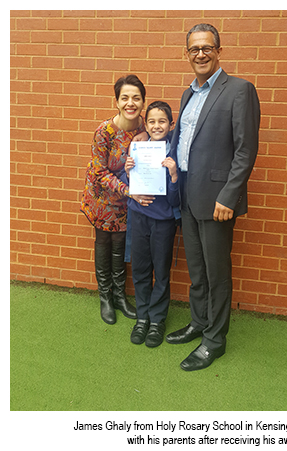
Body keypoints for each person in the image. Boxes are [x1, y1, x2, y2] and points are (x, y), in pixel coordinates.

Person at [165, 23, 261, 371]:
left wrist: (229, 196)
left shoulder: (238, 90)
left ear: (219, 51)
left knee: (217, 272)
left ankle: (214, 341)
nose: (201, 54)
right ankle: (199, 321)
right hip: (188, 194)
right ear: (186, 54)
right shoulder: (187, 94)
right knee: (197, 269)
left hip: (218, 200)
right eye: (194, 49)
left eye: (207, 47)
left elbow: (245, 150)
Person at [80, 74, 148, 325]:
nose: (130, 103)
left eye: (136, 98)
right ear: (117, 101)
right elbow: (98, 172)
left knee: (121, 241)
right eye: (125, 98)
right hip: (103, 197)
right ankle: (105, 297)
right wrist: (127, 190)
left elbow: (163, 138)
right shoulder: (104, 131)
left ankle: (120, 296)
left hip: (127, 201)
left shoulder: (145, 128)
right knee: (104, 241)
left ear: (143, 102)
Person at [122, 101, 180, 347]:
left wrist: (175, 175)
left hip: (164, 221)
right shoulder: (138, 148)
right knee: (141, 269)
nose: (157, 126)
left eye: (162, 121)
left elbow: (178, 198)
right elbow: (130, 183)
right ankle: (142, 317)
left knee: (161, 271)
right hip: (139, 216)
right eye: (152, 121)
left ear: (171, 125)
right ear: (146, 124)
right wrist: (128, 170)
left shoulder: (174, 153)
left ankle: (157, 319)